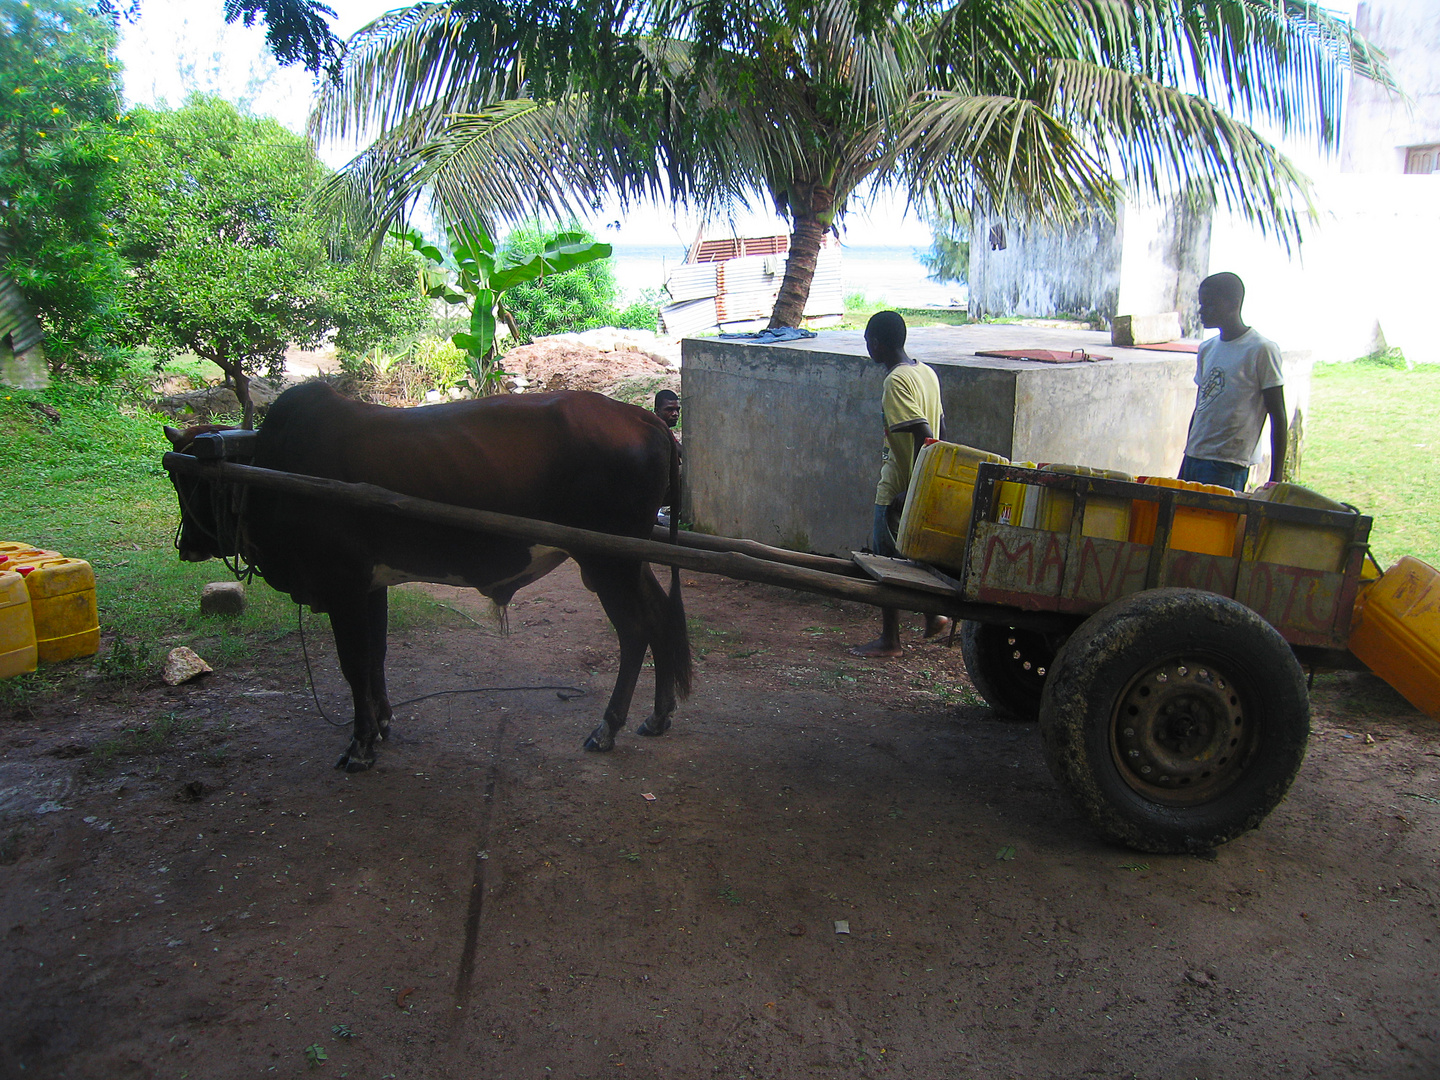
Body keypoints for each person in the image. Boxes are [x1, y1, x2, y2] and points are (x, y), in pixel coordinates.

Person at [851, 310, 952, 658]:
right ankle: (933, 615)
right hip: (917, 484)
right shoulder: (926, 372)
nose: (868, 350)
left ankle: (890, 640)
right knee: (912, 558)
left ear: (876, 344)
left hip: (896, 485)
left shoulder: (895, 381)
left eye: (867, 343)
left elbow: (925, 434)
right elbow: (941, 432)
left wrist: (911, 488)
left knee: (886, 563)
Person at [1180, 272, 1287, 491]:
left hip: (1228, 462)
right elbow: (1200, 407)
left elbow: (1278, 415)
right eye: (1201, 304)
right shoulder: (1207, 349)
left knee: (1215, 522)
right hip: (1195, 456)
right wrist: (1187, 455)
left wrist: (1276, 478)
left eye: (1209, 304)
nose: (1201, 311)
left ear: (1234, 304)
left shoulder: (1261, 350)